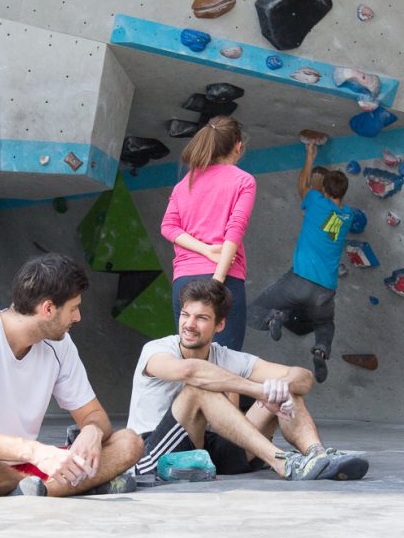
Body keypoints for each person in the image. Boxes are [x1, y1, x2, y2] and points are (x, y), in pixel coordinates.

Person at [0, 254, 143, 498]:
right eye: (74, 309)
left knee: (128, 443)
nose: (78, 317)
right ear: (48, 309)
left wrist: (92, 432)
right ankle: (63, 486)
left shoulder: (60, 346)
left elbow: (94, 416)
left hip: (22, 466)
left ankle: (31, 490)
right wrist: (36, 452)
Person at [129, 278, 369, 481]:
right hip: (154, 454)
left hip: (203, 451)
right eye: (185, 315)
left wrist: (280, 387)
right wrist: (259, 390)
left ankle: (317, 456)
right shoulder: (156, 350)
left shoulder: (225, 356)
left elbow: (304, 377)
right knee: (199, 388)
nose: (189, 324)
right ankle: (283, 462)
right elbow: (191, 372)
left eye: (201, 318)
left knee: (286, 390)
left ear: (219, 325)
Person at [247, 142, 350, 383]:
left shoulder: (314, 200)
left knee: (253, 311)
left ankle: (275, 316)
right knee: (325, 324)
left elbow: (302, 185)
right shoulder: (348, 216)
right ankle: (321, 350)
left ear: (323, 189)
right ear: (343, 193)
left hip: (298, 281)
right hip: (325, 290)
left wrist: (310, 155)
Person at [161, 116, 255, 350]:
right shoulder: (243, 181)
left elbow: (168, 227)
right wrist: (217, 281)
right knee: (225, 363)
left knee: (193, 360)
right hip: (223, 279)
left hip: (184, 282)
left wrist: (204, 249)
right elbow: (235, 229)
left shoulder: (185, 183)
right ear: (238, 147)